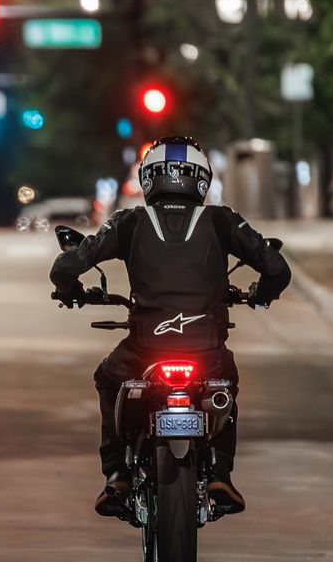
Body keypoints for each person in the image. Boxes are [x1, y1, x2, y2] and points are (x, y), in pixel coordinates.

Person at [51, 135, 292, 518]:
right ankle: (220, 474)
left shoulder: (130, 221)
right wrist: (261, 294)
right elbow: (277, 269)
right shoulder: (221, 219)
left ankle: (117, 474)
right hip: (207, 350)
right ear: (202, 178)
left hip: (144, 348)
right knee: (225, 385)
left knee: (108, 377)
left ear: (149, 178)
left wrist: (73, 292)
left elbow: (65, 267)